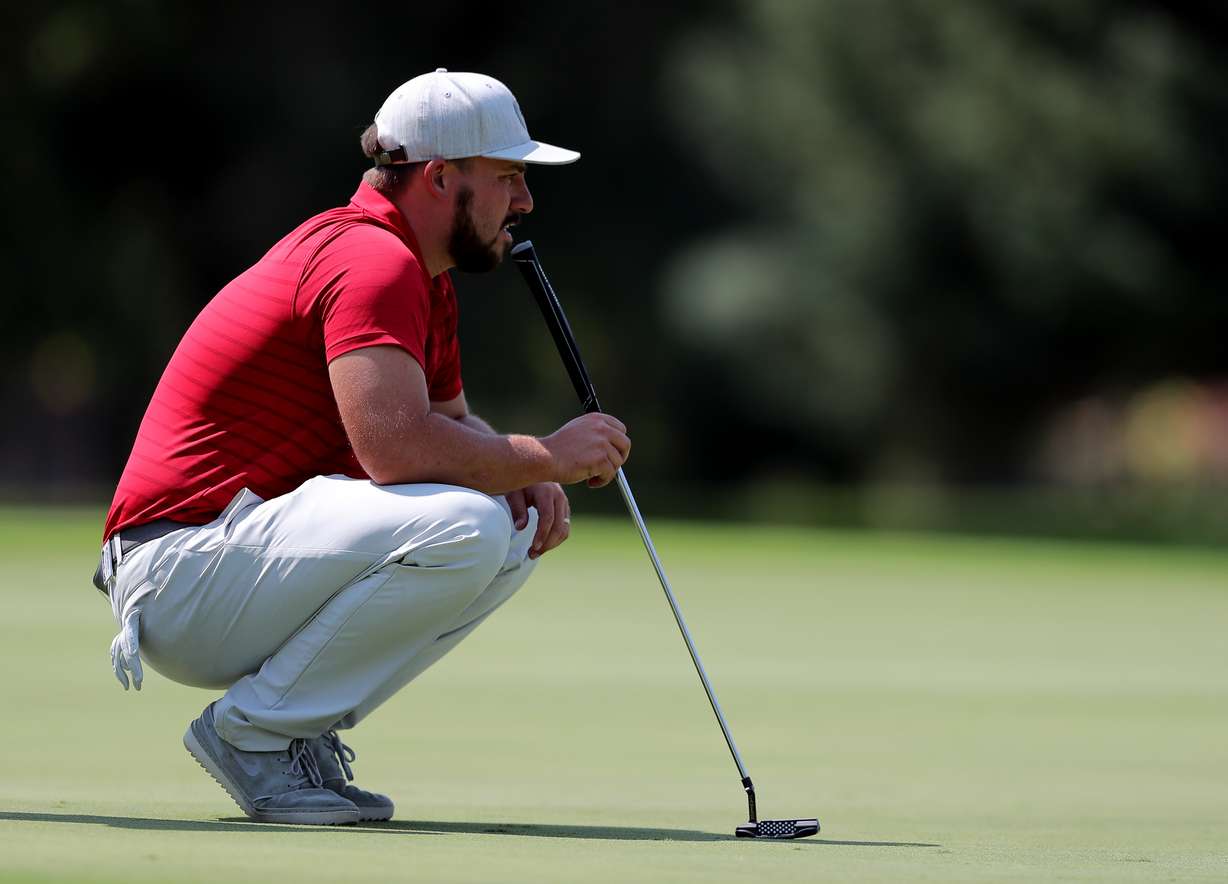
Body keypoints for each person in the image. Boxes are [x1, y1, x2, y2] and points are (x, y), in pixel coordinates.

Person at [94, 69, 631, 826]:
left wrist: (522, 472)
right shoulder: (374, 263)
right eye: (508, 176)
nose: (525, 200)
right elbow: (396, 450)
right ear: (441, 178)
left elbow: (450, 423)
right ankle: (253, 737)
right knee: (469, 524)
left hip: (222, 562)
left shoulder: (417, 273)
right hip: (179, 569)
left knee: (507, 523)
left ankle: (290, 732)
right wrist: (544, 456)